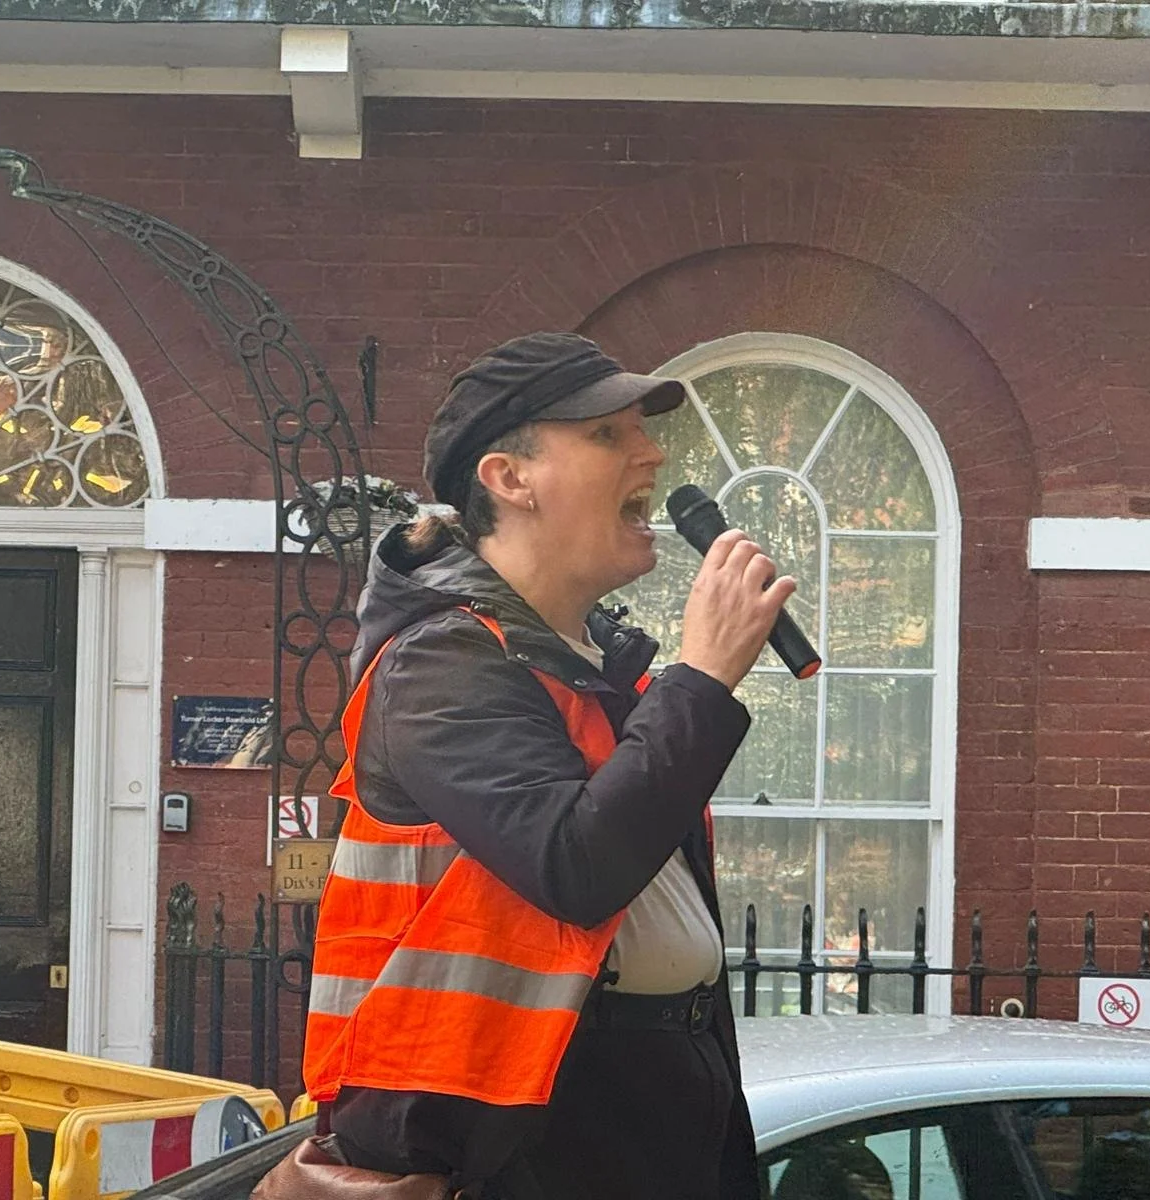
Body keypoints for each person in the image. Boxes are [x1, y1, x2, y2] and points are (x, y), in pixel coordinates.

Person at [297, 332, 795, 1200]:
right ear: (509, 478)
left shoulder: (598, 665)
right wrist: (705, 675)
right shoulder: (439, 664)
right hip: (503, 1134)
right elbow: (575, 864)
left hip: (634, 1100)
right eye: (609, 435)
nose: (651, 452)